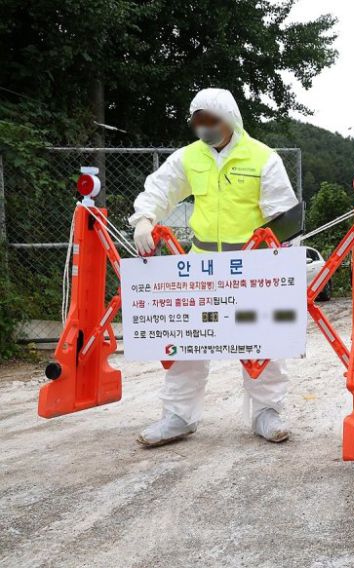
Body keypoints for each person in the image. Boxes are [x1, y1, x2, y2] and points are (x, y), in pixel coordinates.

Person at [129, 88, 298, 447]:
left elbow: (283, 215)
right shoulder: (189, 157)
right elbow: (160, 189)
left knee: (262, 339)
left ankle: (266, 412)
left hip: (252, 266)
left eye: (212, 121)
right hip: (201, 266)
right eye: (199, 122)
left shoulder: (262, 158)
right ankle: (178, 415)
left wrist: (283, 265)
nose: (206, 129)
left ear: (230, 119)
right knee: (187, 339)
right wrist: (144, 218)